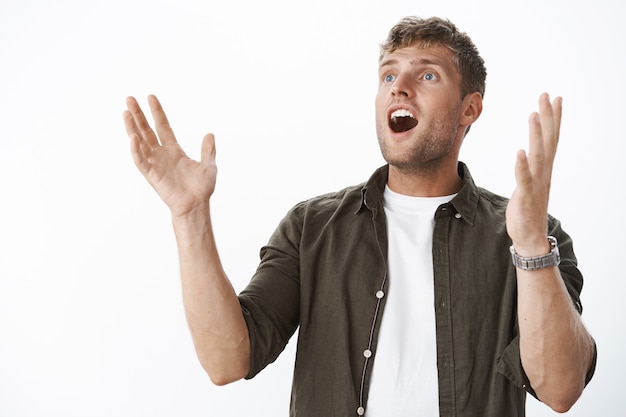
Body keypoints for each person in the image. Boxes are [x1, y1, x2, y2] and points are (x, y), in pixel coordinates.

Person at [123, 16, 596, 417]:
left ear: (470, 108)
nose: (401, 88)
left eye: (427, 75)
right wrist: (189, 216)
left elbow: (560, 389)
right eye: (389, 76)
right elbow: (227, 361)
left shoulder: (531, 237)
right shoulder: (312, 227)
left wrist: (532, 247)